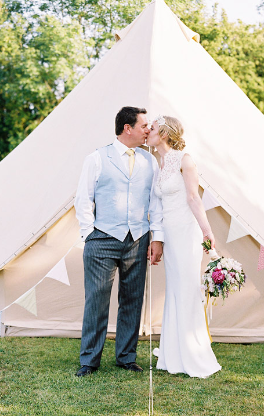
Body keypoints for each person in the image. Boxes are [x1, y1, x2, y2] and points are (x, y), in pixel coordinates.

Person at [74, 106, 164, 377]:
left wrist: (157, 238)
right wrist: (89, 234)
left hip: (138, 238)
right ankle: (89, 360)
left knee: (133, 300)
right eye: (144, 125)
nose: (148, 130)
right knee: (97, 301)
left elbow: (156, 203)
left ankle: (126, 357)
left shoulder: (151, 161)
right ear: (128, 128)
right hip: (102, 239)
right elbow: (82, 199)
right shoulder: (97, 158)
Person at [147, 115, 221, 378]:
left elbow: (193, 198)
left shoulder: (185, 160)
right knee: (175, 288)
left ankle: (193, 351)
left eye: (153, 128)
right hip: (169, 233)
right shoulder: (159, 164)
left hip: (186, 232)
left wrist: (207, 231)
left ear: (165, 134)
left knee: (187, 288)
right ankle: (173, 353)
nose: (148, 131)